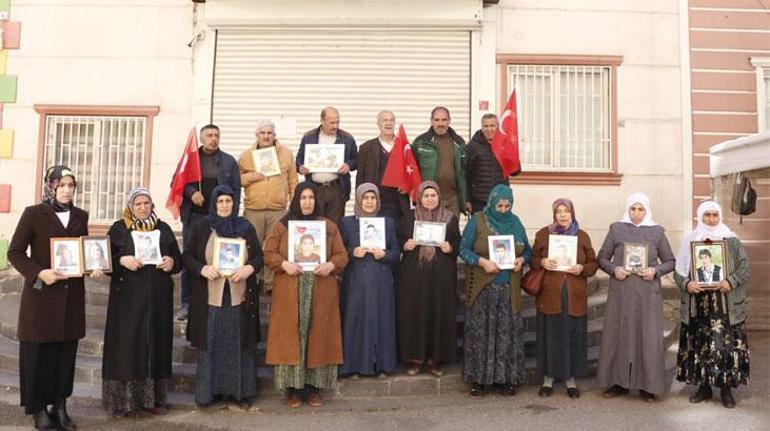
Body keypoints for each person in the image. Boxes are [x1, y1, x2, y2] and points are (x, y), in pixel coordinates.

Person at [8, 165, 90, 430]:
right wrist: (39, 272)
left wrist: (92, 265)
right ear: (51, 186)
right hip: (41, 297)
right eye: (62, 185)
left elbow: (83, 252)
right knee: (38, 355)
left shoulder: (81, 216)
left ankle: (60, 405)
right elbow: (15, 252)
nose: (67, 190)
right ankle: (38, 409)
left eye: (71, 185)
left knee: (65, 355)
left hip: (71, 298)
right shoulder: (34, 214)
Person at [263, 182, 349, 408]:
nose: (307, 202)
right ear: (297, 200)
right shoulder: (283, 226)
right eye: (303, 198)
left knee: (317, 335)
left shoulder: (328, 226)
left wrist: (331, 265)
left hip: (320, 289)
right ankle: (292, 390)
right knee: (293, 337)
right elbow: (268, 253)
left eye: (311, 198)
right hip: (290, 289)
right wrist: (284, 264)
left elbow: (342, 255)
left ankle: (315, 389)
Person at [102, 187, 182, 417]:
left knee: (155, 345)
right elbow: (104, 260)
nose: (143, 207)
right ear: (130, 206)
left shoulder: (163, 229)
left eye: (147, 203)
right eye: (138, 204)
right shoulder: (119, 229)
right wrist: (122, 261)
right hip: (126, 300)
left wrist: (171, 262)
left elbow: (177, 259)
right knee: (126, 347)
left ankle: (153, 400)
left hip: (157, 299)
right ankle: (122, 402)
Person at [183, 186, 263, 409]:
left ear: (234, 203)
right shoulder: (202, 226)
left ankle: (239, 393)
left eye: (229, 201)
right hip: (210, 298)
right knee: (211, 342)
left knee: (238, 342)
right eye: (221, 201)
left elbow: (258, 256)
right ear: (214, 204)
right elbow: (187, 255)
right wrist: (202, 269)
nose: (225, 205)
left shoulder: (244, 227)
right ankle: (209, 394)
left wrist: (249, 269)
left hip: (239, 297)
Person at [596, 193, 675, 402]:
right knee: (618, 335)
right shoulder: (617, 229)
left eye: (641, 209)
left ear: (647, 210)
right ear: (628, 209)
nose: (637, 213)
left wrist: (655, 271)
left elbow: (670, 261)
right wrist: (614, 269)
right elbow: (602, 257)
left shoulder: (657, 232)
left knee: (646, 338)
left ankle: (647, 386)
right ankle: (618, 382)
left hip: (647, 295)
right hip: (621, 293)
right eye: (633, 209)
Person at [674, 201, 751, 408]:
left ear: (720, 216)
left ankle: (726, 391)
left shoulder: (731, 240)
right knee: (701, 346)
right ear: (700, 216)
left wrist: (730, 281)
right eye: (707, 215)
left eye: (715, 214)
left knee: (725, 347)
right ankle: (704, 388)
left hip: (725, 306)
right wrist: (687, 283)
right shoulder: (691, 240)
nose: (711, 219)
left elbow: (745, 268)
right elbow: (678, 271)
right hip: (698, 305)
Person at [459, 184, 530, 397]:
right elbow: (463, 249)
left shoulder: (515, 222)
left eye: (507, 205)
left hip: (508, 289)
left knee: (507, 336)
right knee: (481, 335)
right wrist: (482, 262)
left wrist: (521, 260)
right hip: (484, 289)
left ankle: (505, 379)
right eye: (499, 205)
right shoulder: (478, 220)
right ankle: (479, 380)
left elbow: (527, 249)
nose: (503, 209)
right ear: (491, 202)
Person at [530, 198, 598, 399]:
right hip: (550, 295)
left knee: (573, 337)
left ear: (572, 213)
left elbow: (593, 263)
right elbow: (532, 259)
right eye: (558, 211)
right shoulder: (544, 234)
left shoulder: (582, 236)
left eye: (566, 211)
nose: (562, 215)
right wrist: (542, 261)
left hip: (574, 295)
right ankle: (548, 380)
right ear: (554, 214)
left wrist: (582, 268)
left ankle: (570, 380)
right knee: (550, 337)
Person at [396, 181, 461, 377]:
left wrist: (450, 248)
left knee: (438, 314)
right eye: (426, 195)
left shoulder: (450, 219)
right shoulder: (409, 217)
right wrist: (404, 244)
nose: (430, 199)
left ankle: (436, 360)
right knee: (415, 315)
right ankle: (415, 360)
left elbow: (458, 242)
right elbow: (397, 239)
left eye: (433, 195)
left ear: (439, 197)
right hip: (414, 278)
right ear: (419, 198)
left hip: (441, 278)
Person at [176, 124, 241, 321]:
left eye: (217, 135)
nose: (214, 138)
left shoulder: (229, 161)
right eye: (210, 135)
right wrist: (191, 192)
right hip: (195, 218)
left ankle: (218, 302)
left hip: (220, 219)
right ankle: (187, 304)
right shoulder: (190, 159)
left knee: (217, 259)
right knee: (190, 260)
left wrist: (232, 218)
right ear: (202, 139)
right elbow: (176, 183)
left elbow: (236, 191)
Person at [338, 183, 400, 377]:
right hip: (356, 279)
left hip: (381, 279)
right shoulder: (347, 223)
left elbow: (396, 253)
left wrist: (385, 254)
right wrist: (351, 252)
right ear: (358, 200)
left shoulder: (387, 223)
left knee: (381, 321)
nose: (369, 202)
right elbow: (338, 252)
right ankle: (353, 366)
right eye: (365, 198)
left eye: (373, 198)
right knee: (355, 321)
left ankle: (381, 365)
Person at [238, 119, 298, 293]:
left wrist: (293, 206)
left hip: (278, 209)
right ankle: (253, 280)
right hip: (253, 209)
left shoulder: (286, 153)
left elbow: (293, 181)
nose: (266, 136)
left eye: (269, 133)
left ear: (274, 135)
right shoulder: (246, 155)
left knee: (275, 247)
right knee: (253, 246)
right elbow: (237, 180)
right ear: (256, 135)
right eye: (262, 133)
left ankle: (271, 285)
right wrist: (251, 177)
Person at [296, 107, 358, 223]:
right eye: (332, 123)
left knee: (334, 227)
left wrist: (348, 166)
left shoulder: (347, 138)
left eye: (337, 122)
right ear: (322, 121)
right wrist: (300, 167)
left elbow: (356, 159)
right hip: (314, 188)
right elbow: (299, 158)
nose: (335, 126)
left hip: (336, 188)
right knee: (315, 223)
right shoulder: (309, 137)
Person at [412, 107, 467, 216]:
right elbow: (412, 169)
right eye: (437, 120)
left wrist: (466, 199)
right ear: (431, 121)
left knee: (451, 231)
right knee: (430, 232)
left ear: (449, 120)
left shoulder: (459, 142)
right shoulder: (421, 142)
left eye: (444, 120)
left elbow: (465, 172)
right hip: (428, 200)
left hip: (452, 200)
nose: (440, 123)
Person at [356, 110, 412, 219]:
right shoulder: (366, 148)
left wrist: (408, 187)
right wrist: (360, 203)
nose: (388, 123)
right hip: (374, 201)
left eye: (391, 120)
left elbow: (412, 173)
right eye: (384, 120)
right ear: (378, 124)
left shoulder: (405, 146)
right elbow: (360, 178)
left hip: (398, 202)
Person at [465, 114, 509, 214]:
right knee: (480, 228)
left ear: (497, 126)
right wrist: (467, 199)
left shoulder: (505, 144)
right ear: (482, 127)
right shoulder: (473, 146)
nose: (489, 129)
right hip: (479, 201)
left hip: (500, 199)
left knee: (498, 229)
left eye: (492, 126)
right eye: (486, 126)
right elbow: (466, 173)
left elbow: (515, 171)